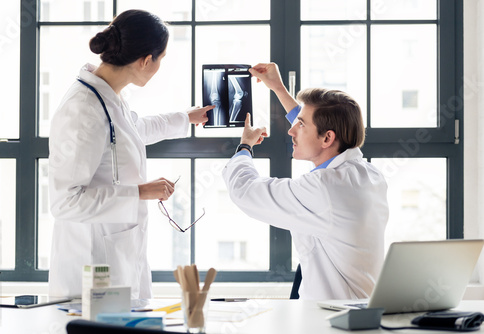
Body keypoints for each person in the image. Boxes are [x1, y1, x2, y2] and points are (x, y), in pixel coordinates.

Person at [48, 9, 213, 299]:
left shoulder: (108, 96)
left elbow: (134, 130)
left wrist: (186, 118)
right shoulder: (83, 109)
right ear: (145, 60)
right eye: (161, 59)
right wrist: (140, 192)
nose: (159, 65)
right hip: (91, 260)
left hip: (117, 251)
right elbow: (65, 202)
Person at [222, 63, 389, 300]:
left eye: (300, 125)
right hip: (359, 309)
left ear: (328, 138)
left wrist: (245, 146)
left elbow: (245, 191)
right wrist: (278, 89)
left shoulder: (322, 189)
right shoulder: (369, 175)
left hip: (331, 320)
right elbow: (318, 128)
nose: (291, 131)